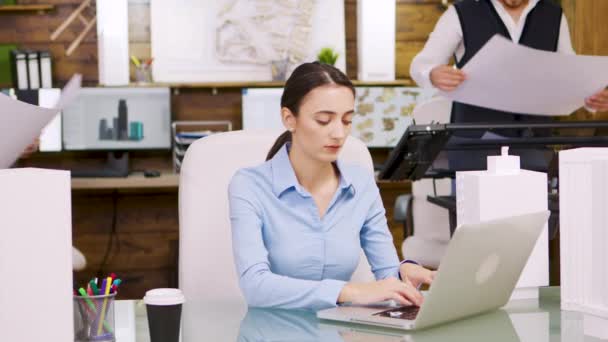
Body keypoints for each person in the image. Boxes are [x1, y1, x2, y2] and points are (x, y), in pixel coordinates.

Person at [228, 62, 435, 311]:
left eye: (347, 121)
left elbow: (386, 274)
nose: (339, 133)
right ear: (289, 118)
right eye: (324, 120)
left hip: (339, 331)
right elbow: (255, 286)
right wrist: (350, 291)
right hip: (270, 331)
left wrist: (403, 272)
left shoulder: (361, 183)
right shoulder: (249, 185)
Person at [410, 0, 608, 136]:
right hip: (474, 142)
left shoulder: (554, 14)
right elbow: (420, 64)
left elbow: (568, 73)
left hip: (535, 141)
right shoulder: (460, 12)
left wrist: (590, 98)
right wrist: (432, 74)